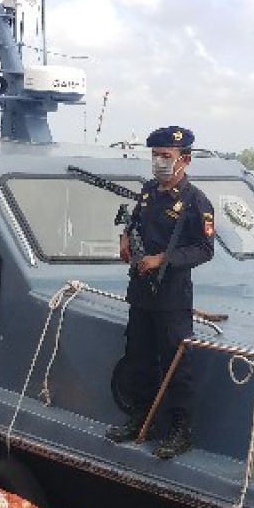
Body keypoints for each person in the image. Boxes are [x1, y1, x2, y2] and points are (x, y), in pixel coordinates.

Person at [105, 126, 215, 459]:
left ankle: (180, 431)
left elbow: (203, 249)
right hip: (141, 293)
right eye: (155, 156)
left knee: (175, 365)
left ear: (185, 159)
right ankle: (141, 420)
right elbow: (136, 222)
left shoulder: (196, 202)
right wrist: (125, 239)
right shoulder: (149, 191)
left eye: (165, 156)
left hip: (171, 298)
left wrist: (164, 259)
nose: (159, 162)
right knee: (138, 357)